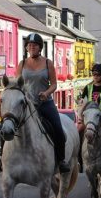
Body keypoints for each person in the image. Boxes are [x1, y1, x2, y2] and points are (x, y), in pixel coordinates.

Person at [16, 33, 70, 173]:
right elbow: (17, 85)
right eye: (30, 45)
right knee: (9, 124)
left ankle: (61, 160)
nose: (32, 47)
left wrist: (46, 93)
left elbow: (54, 84)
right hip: (27, 104)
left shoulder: (48, 63)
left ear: (40, 47)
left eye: (35, 45)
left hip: (45, 103)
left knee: (58, 128)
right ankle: (2, 157)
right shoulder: (21, 64)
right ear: (26, 47)